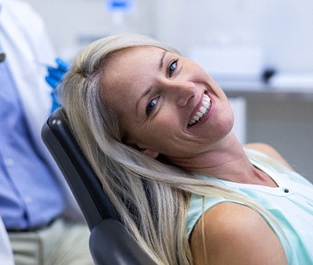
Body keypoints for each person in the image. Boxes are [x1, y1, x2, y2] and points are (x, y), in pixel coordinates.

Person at [59, 33, 313, 265]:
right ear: (139, 146)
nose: (187, 89)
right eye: (153, 103)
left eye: (171, 67)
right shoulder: (234, 226)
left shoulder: (263, 156)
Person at [0, 0, 93, 265]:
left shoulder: (17, 16)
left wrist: (67, 107)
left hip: (63, 228)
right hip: (6, 241)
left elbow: (43, 118)